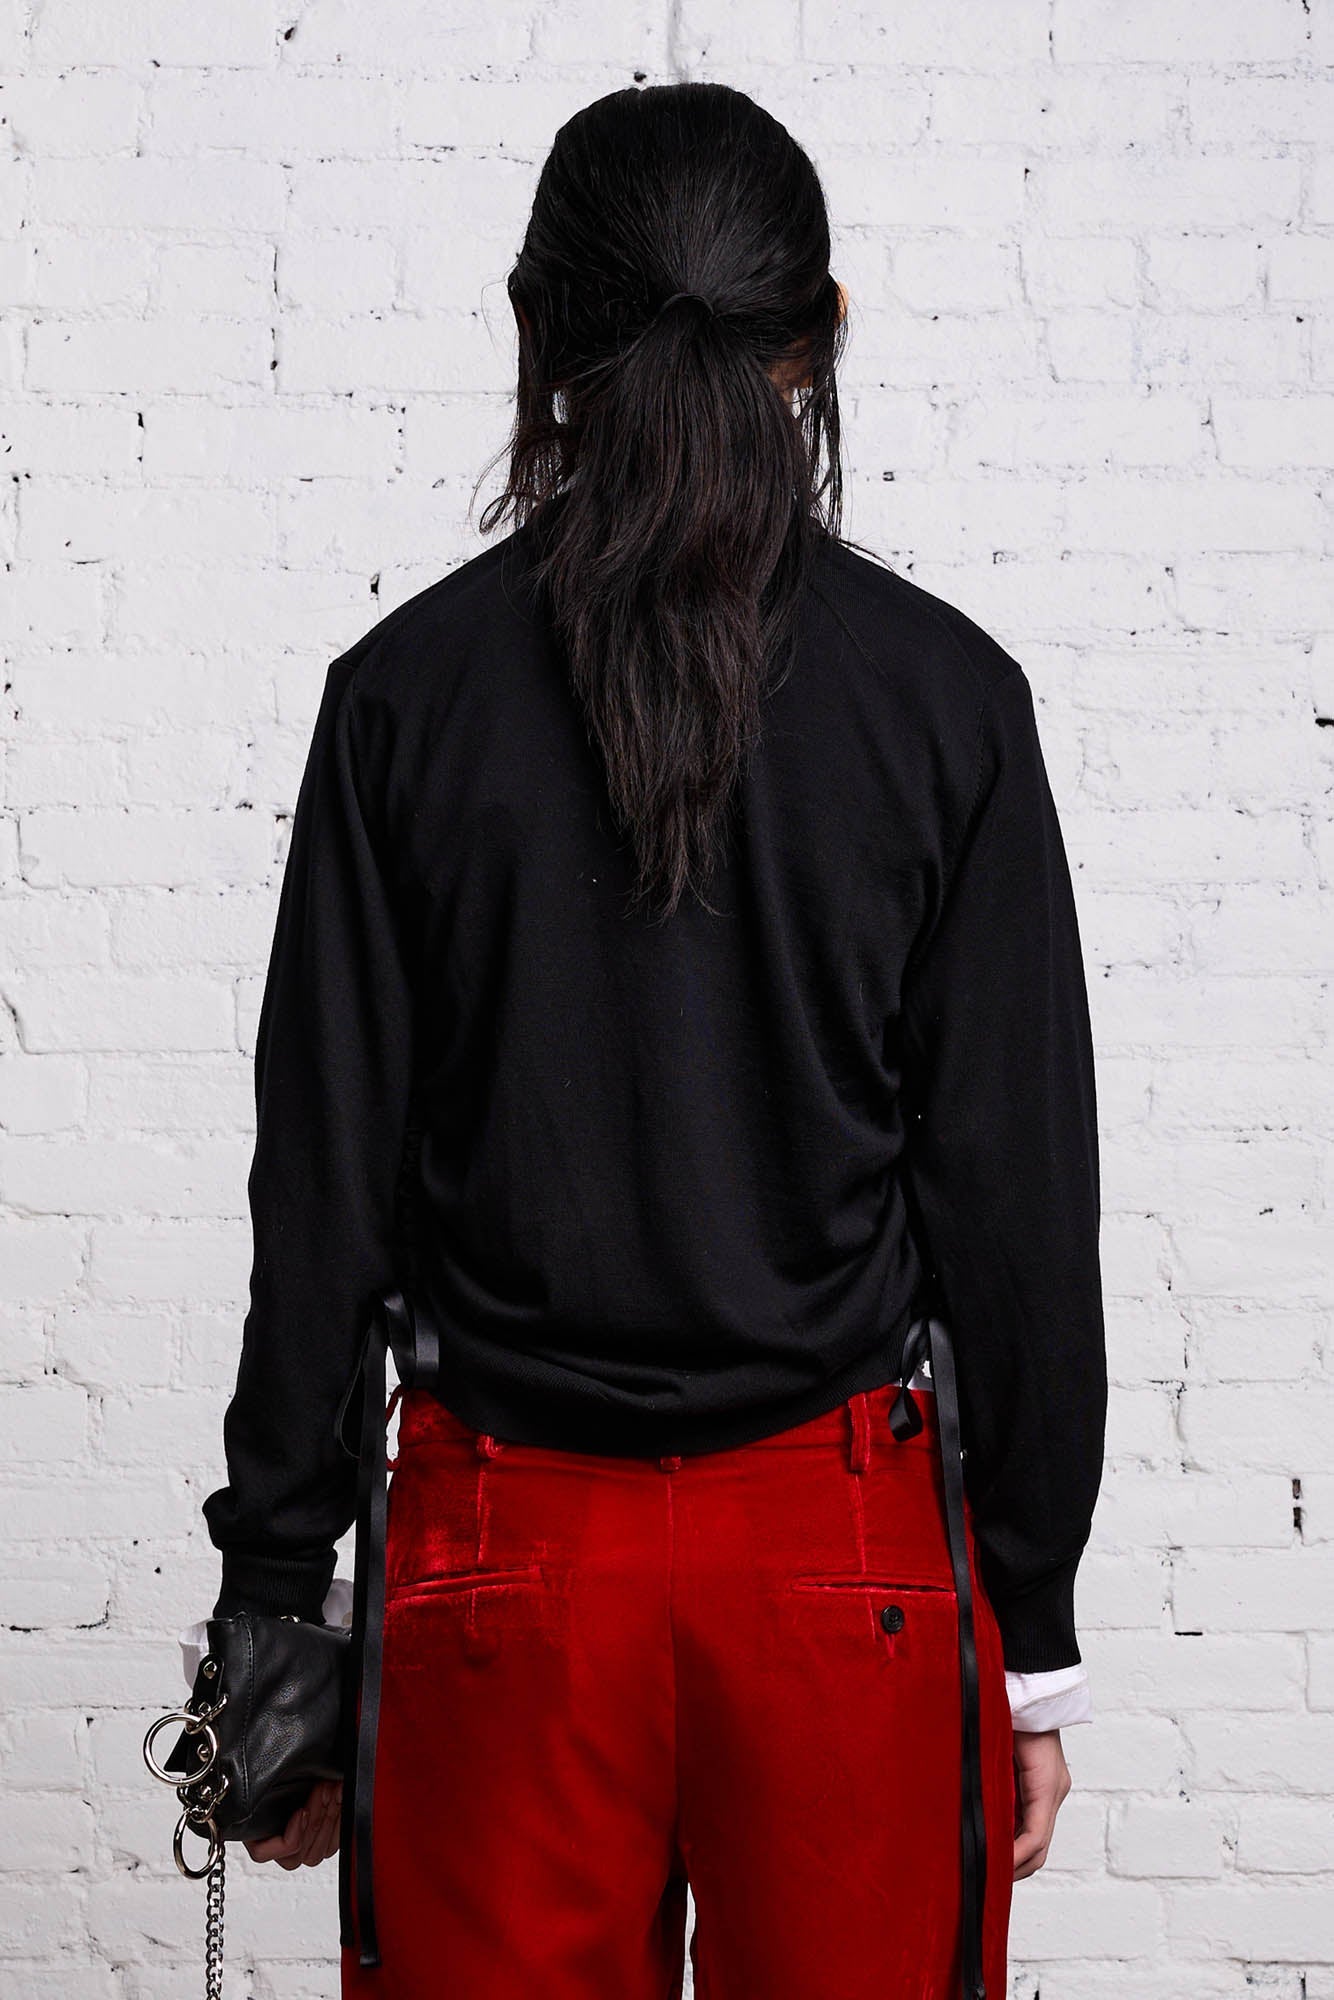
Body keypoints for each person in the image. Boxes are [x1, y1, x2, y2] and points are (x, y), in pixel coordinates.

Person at [188, 79, 1107, 2000]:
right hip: (843, 1566)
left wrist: (276, 1592)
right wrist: (1026, 1630)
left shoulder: (402, 701)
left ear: (538, 332)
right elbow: (1015, 1210)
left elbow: (324, 1194)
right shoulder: (947, 704)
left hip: (501, 1565)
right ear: (818, 336)